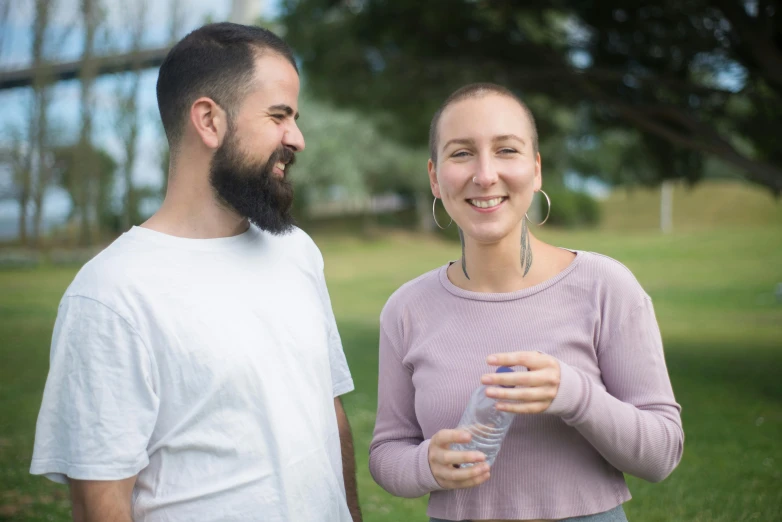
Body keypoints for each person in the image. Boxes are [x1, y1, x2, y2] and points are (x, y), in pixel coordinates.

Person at [30, 23, 361, 522]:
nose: (298, 138)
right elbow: (101, 503)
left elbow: (329, 417)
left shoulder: (297, 252)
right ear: (209, 120)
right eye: (279, 116)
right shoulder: (111, 294)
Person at [369, 83, 684, 522]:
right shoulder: (406, 309)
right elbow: (386, 453)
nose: (484, 174)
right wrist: (425, 465)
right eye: (461, 153)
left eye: (506, 150)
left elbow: (662, 454)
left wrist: (575, 396)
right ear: (435, 178)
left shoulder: (605, 286)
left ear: (536, 170)